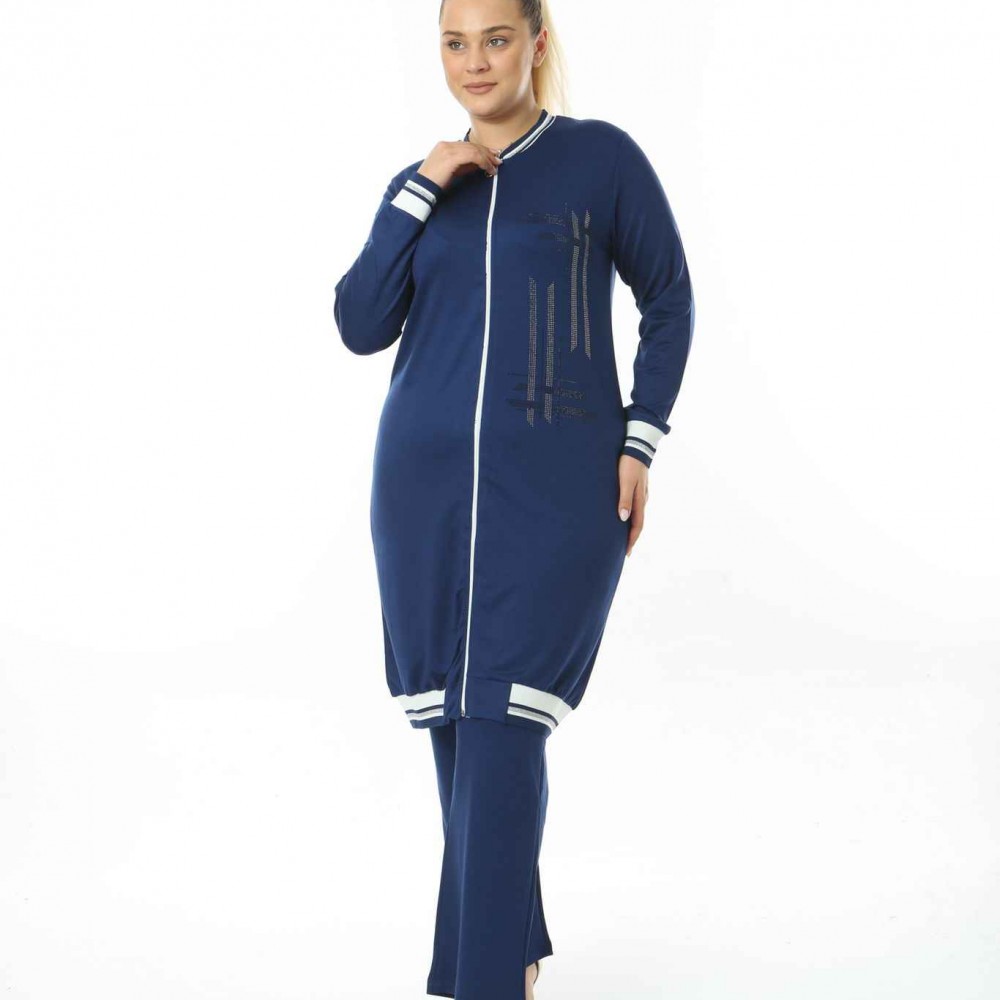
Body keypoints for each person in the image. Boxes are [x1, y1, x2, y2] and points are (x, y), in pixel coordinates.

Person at [333, 0, 695, 995]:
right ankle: (513, 950)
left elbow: (668, 296)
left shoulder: (599, 160)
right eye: (455, 43)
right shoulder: (425, 184)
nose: (475, 62)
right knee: (460, 728)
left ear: (536, 43)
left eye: (496, 39)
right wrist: (421, 186)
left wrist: (641, 438)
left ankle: (482, 982)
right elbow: (359, 322)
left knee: (503, 721)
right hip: (423, 495)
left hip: (557, 495)